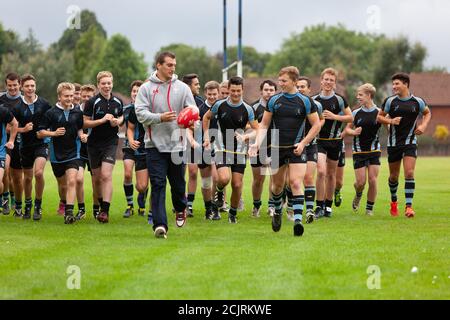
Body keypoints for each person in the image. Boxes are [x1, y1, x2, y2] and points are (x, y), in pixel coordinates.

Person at [251, 66, 321, 236]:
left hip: (296, 149)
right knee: (277, 185)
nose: (280, 83)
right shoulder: (274, 100)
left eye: (284, 81)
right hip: (276, 149)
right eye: (279, 80)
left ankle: (297, 221)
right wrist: (255, 144)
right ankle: (277, 211)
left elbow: (317, 124)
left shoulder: (305, 101)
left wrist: (304, 143)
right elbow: (264, 125)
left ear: (294, 81)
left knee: (296, 182)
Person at [135, 51, 196, 239]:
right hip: (154, 146)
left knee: (178, 186)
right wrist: (159, 118)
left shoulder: (183, 88)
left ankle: (180, 207)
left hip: (177, 146)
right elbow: (140, 114)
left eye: (174, 65)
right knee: (158, 184)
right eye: (169, 65)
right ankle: (160, 225)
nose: (173, 68)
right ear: (159, 65)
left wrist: (193, 122)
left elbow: (193, 111)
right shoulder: (146, 88)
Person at [203, 76, 259, 224]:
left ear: (242, 90)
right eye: (232, 90)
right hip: (221, 147)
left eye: (238, 91)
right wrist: (207, 136)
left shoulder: (248, 109)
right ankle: (220, 192)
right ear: (228, 89)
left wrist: (246, 137)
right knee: (223, 178)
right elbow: (206, 117)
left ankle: (232, 213)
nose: (235, 94)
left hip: (239, 151)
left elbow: (257, 130)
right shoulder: (219, 105)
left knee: (237, 184)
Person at [377, 73, 431, 218]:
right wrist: (390, 121)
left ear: (406, 84)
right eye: (393, 84)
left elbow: (427, 113)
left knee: (409, 173)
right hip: (394, 144)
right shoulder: (390, 101)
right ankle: (394, 201)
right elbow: (379, 117)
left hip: (410, 143)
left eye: (397, 84)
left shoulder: (417, 101)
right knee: (394, 176)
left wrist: (424, 125)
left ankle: (409, 207)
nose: (394, 87)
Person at [37, 83, 86, 224]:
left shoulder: (78, 113)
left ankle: (69, 213)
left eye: (71, 96)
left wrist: (82, 135)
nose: (70, 98)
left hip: (73, 153)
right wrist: (53, 133)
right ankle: (64, 202)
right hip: (56, 155)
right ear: (59, 96)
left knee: (72, 181)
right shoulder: (51, 113)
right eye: (66, 96)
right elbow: (40, 133)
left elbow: (79, 128)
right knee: (63, 185)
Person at [83, 71, 124, 223]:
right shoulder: (92, 102)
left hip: (110, 143)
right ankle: (101, 206)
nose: (107, 86)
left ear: (112, 83)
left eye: (109, 83)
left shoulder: (118, 101)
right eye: (103, 83)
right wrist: (101, 121)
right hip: (93, 144)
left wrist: (117, 122)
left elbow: (122, 117)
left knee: (106, 175)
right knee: (97, 179)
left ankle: (105, 211)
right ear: (98, 85)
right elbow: (84, 123)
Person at [313, 68, 353, 218]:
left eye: (332, 80)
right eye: (326, 79)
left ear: (335, 83)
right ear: (321, 81)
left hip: (335, 142)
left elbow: (351, 118)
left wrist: (335, 116)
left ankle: (328, 206)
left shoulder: (340, 100)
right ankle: (319, 206)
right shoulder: (314, 100)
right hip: (319, 141)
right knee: (321, 171)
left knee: (331, 175)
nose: (328, 82)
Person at [12, 74, 52, 220]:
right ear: (22, 87)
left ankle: (38, 205)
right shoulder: (17, 107)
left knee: (39, 173)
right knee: (27, 178)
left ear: (36, 87)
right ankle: (27, 205)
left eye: (32, 86)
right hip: (25, 146)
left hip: (41, 144)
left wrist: (46, 133)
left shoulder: (44, 103)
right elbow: (9, 128)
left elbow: (52, 120)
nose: (30, 88)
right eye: (27, 86)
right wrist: (23, 130)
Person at [344, 84, 386, 216]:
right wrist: (353, 131)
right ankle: (358, 193)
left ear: (369, 95)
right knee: (361, 182)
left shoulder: (380, 113)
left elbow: (389, 126)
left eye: (360, 95)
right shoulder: (355, 113)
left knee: (373, 180)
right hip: (358, 151)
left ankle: (369, 209)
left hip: (374, 150)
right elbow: (347, 129)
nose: (358, 97)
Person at [186, 80, 220, 220]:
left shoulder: (222, 108)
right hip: (202, 149)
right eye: (210, 94)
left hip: (218, 148)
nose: (212, 97)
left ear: (218, 94)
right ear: (206, 93)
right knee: (206, 181)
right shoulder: (198, 109)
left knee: (218, 179)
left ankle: (216, 207)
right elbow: (188, 128)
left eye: (214, 94)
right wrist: (193, 141)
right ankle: (208, 209)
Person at [296, 76, 324, 223]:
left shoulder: (316, 105)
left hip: (311, 146)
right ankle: (292, 207)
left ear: (309, 89)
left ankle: (309, 211)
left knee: (308, 177)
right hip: (294, 146)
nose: (300, 89)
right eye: (298, 86)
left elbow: (320, 120)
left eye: (303, 86)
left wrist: (317, 127)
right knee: (293, 180)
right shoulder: (292, 103)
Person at [122, 80, 150, 220]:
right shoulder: (127, 109)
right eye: (134, 91)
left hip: (143, 147)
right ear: (131, 93)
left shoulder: (148, 107)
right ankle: (130, 205)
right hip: (129, 145)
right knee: (127, 174)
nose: (136, 93)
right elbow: (120, 122)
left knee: (142, 186)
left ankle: (142, 195)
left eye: (139, 91)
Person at [250, 80, 277, 218]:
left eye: (272, 90)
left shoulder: (278, 106)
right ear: (261, 91)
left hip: (275, 147)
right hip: (258, 148)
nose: (269, 93)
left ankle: (272, 205)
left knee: (275, 178)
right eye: (266, 90)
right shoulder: (253, 107)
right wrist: (258, 127)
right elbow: (245, 126)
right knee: (258, 179)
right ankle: (256, 205)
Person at [182, 74, 205, 218]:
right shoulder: (178, 99)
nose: (198, 86)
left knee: (192, 172)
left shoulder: (200, 102)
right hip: (176, 141)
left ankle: (189, 204)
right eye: (196, 84)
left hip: (193, 142)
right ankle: (179, 201)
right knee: (177, 174)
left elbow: (201, 123)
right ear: (188, 86)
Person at [0, 73, 22, 216]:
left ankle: (16, 199)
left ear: (19, 84)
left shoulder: (24, 100)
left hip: (21, 142)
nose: (13, 88)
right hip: (5, 143)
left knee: (17, 176)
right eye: (10, 85)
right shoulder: (1, 100)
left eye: (15, 85)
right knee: (6, 171)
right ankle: (6, 199)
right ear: (6, 85)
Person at [74, 84, 96, 220]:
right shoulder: (75, 110)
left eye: (89, 96)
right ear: (80, 96)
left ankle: (96, 209)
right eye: (84, 96)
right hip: (79, 150)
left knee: (96, 182)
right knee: (78, 179)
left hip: (94, 150)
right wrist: (81, 134)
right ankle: (81, 209)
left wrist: (89, 135)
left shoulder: (97, 110)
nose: (87, 99)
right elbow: (76, 125)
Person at [0, 105, 18, 206]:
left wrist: (11, 141)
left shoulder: (2, 111)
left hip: (0, 151)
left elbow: (15, 123)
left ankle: (4, 198)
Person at [334, 140, 346, 207]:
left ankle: (337, 191)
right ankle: (323, 205)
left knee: (339, 182)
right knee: (325, 175)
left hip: (339, 147)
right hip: (323, 146)